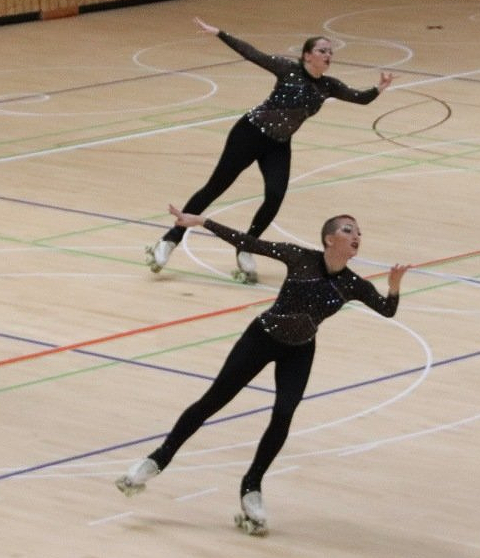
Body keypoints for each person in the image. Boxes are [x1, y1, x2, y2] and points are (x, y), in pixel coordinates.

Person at [118, 204, 411, 535]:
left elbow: (387, 309)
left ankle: (251, 486)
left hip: (299, 351)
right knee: (214, 400)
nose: (356, 235)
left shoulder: (352, 284)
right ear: (330, 239)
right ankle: (157, 459)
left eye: (358, 232)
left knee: (283, 414)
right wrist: (201, 221)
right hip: (261, 339)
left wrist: (394, 286)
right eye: (348, 230)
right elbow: (248, 242)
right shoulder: (300, 257)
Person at [146, 17, 395, 283]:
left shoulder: (328, 86)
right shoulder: (288, 69)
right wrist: (220, 33)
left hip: (278, 145)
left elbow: (359, 98)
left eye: (330, 52)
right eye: (322, 50)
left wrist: (378, 88)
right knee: (215, 187)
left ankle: (246, 246)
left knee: (275, 196)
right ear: (307, 55)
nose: (328, 55)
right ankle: (169, 240)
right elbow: (252, 53)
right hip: (249, 134)